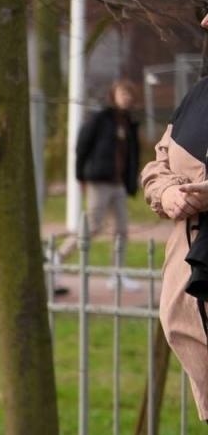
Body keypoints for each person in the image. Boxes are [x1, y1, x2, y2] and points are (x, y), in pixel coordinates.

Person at [139, 9, 208, 435]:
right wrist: (166, 192)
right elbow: (156, 164)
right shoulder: (197, 99)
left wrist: (201, 191)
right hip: (193, 282)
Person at [64, 79, 142, 287]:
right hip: (99, 180)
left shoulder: (129, 123)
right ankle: (58, 256)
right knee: (93, 225)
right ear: (114, 96)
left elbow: (132, 155)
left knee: (121, 229)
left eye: (129, 94)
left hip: (119, 184)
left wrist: (131, 181)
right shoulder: (101, 119)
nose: (126, 98)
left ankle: (117, 273)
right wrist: (80, 175)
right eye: (123, 93)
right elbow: (82, 146)